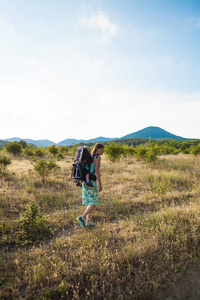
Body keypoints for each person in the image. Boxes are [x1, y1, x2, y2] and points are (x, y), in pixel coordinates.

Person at [76, 143, 104, 229]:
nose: (102, 151)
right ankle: (82, 217)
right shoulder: (97, 157)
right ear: (97, 149)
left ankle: (88, 222)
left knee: (89, 201)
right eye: (101, 149)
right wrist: (99, 183)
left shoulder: (90, 156)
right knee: (94, 202)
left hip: (85, 182)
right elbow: (96, 171)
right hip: (91, 182)